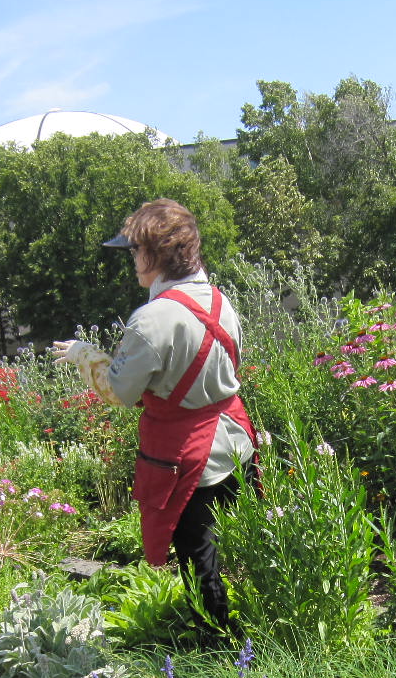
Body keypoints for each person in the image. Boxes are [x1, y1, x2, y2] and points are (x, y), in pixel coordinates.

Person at [54, 198, 257, 630]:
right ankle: (253, 629)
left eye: (134, 250)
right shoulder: (223, 302)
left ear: (156, 255)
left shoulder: (150, 320)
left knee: (199, 560)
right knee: (240, 549)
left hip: (190, 457)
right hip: (237, 441)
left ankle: (219, 648)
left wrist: (81, 353)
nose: (131, 260)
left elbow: (119, 392)